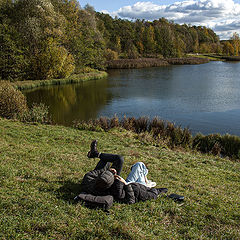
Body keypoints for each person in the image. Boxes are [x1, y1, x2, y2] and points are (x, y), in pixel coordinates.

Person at [80, 140, 168, 204]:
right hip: (130, 185)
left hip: (112, 182)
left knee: (115, 159)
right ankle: (145, 180)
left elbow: (97, 173)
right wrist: (125, 184)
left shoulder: (88, 179)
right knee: (139, 164)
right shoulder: (116, 192)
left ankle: (95, 153)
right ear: (112, 182)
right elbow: (131, 200)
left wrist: (109, 172)